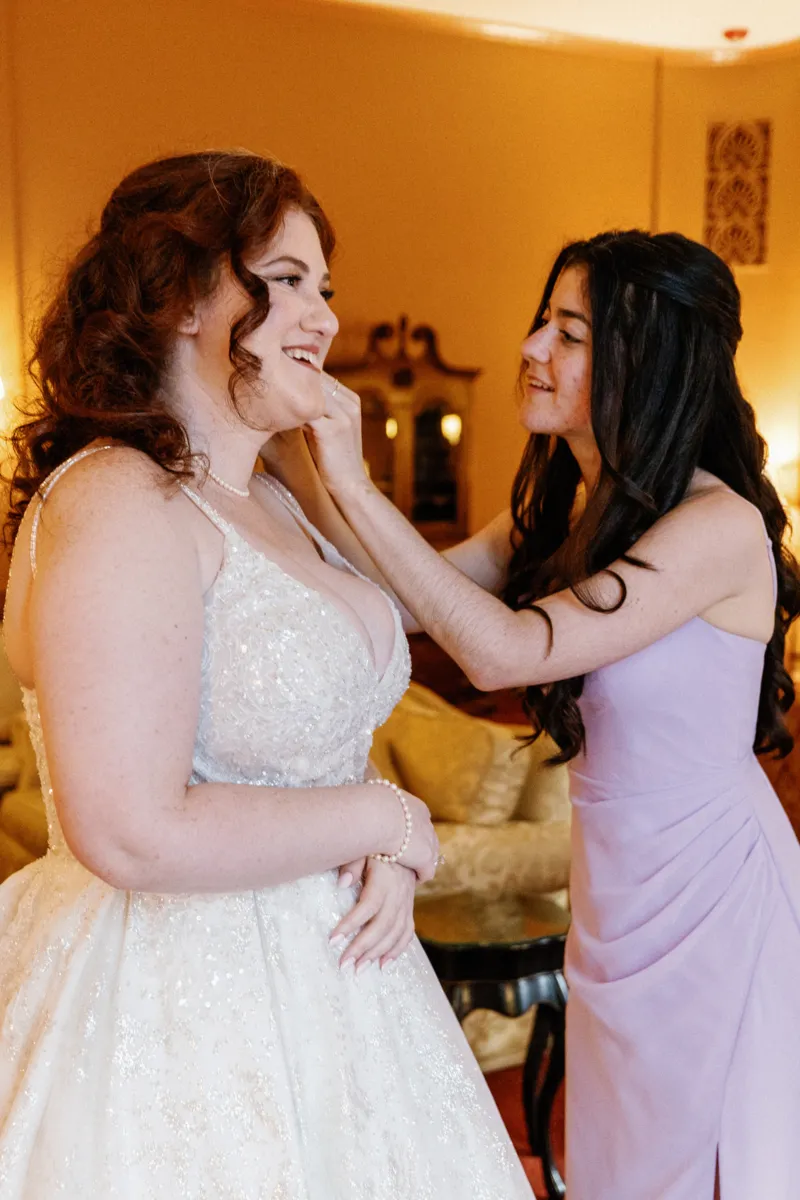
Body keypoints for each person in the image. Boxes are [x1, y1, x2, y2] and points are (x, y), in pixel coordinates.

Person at [0, 150, 534, 1198]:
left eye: (323, 286)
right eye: (284, 279)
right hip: (167, 1004)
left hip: (341, 995)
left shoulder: (279, 501)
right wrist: (384, 821)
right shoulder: (118, 500)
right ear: (185, 295)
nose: (324, 317)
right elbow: (130, 830)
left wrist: (344, 480)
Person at [280, 229, 800, 1200]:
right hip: (612, 892)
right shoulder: (563, 516)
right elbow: (398, 595)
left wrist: (352, 477)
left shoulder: (716, 527)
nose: (530, 349)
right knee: (621, 1165)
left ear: (644, 364)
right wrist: (293, 446)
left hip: (714, 897)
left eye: (568, 333)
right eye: (541, 322)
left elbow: (498, 649)